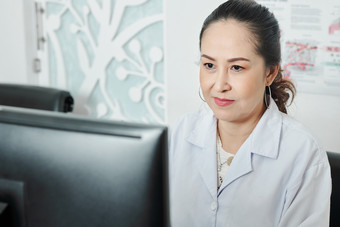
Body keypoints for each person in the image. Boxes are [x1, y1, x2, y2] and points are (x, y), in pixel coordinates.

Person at [168, 0, 332, 226]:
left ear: (270, 73)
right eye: (209, 65)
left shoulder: (302, 153)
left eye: (236, 67)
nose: (219, 85)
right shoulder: (179, 133)